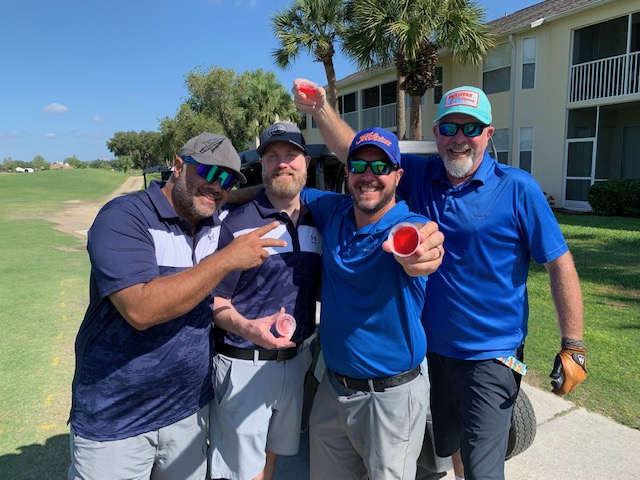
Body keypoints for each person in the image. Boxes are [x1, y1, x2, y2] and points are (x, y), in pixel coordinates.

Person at [292, 81, 587, 480]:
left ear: (488, 133)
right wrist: (321, 110)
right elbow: (357, 153)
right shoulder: (421, 173)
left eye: (470, 128)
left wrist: (573, 344)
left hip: (490, 354)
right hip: (433, 351)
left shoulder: (517, 188)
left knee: (484, 467)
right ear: (436, 134)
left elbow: (560, 265)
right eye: (449, 128)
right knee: (450, 451)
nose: (459, 138)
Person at [67, 132, 286, 480]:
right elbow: (141, 310)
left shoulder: (212, 220)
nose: (218, 186)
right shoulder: (125, 217)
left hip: (189, 413)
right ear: (179, 165)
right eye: (211, 173)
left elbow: (231, 198)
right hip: (116, 420)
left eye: (227, 179)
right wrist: (226, 260)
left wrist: (246, 325)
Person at [299, 126, 442, 480]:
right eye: (358, 165)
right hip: (333, 391)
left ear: (398, 174)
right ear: (346, 172)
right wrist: (229, 196)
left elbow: (424, 246)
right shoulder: (333, 211)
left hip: (390, 399)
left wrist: (420, 252)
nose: (368, 175)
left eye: (381, 167)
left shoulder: (409, 226)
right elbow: (283, 191)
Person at [208, 122, 322, 480]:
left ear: (306, 164)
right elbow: (212, 300)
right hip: (245, 363)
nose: (282, 164)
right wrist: (247, 327)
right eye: (273, 157)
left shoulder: (321, 218)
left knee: (271, 458)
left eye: (291, 156)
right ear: (262, 166)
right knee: (239, 471)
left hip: (296, 360)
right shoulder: (236, 223)